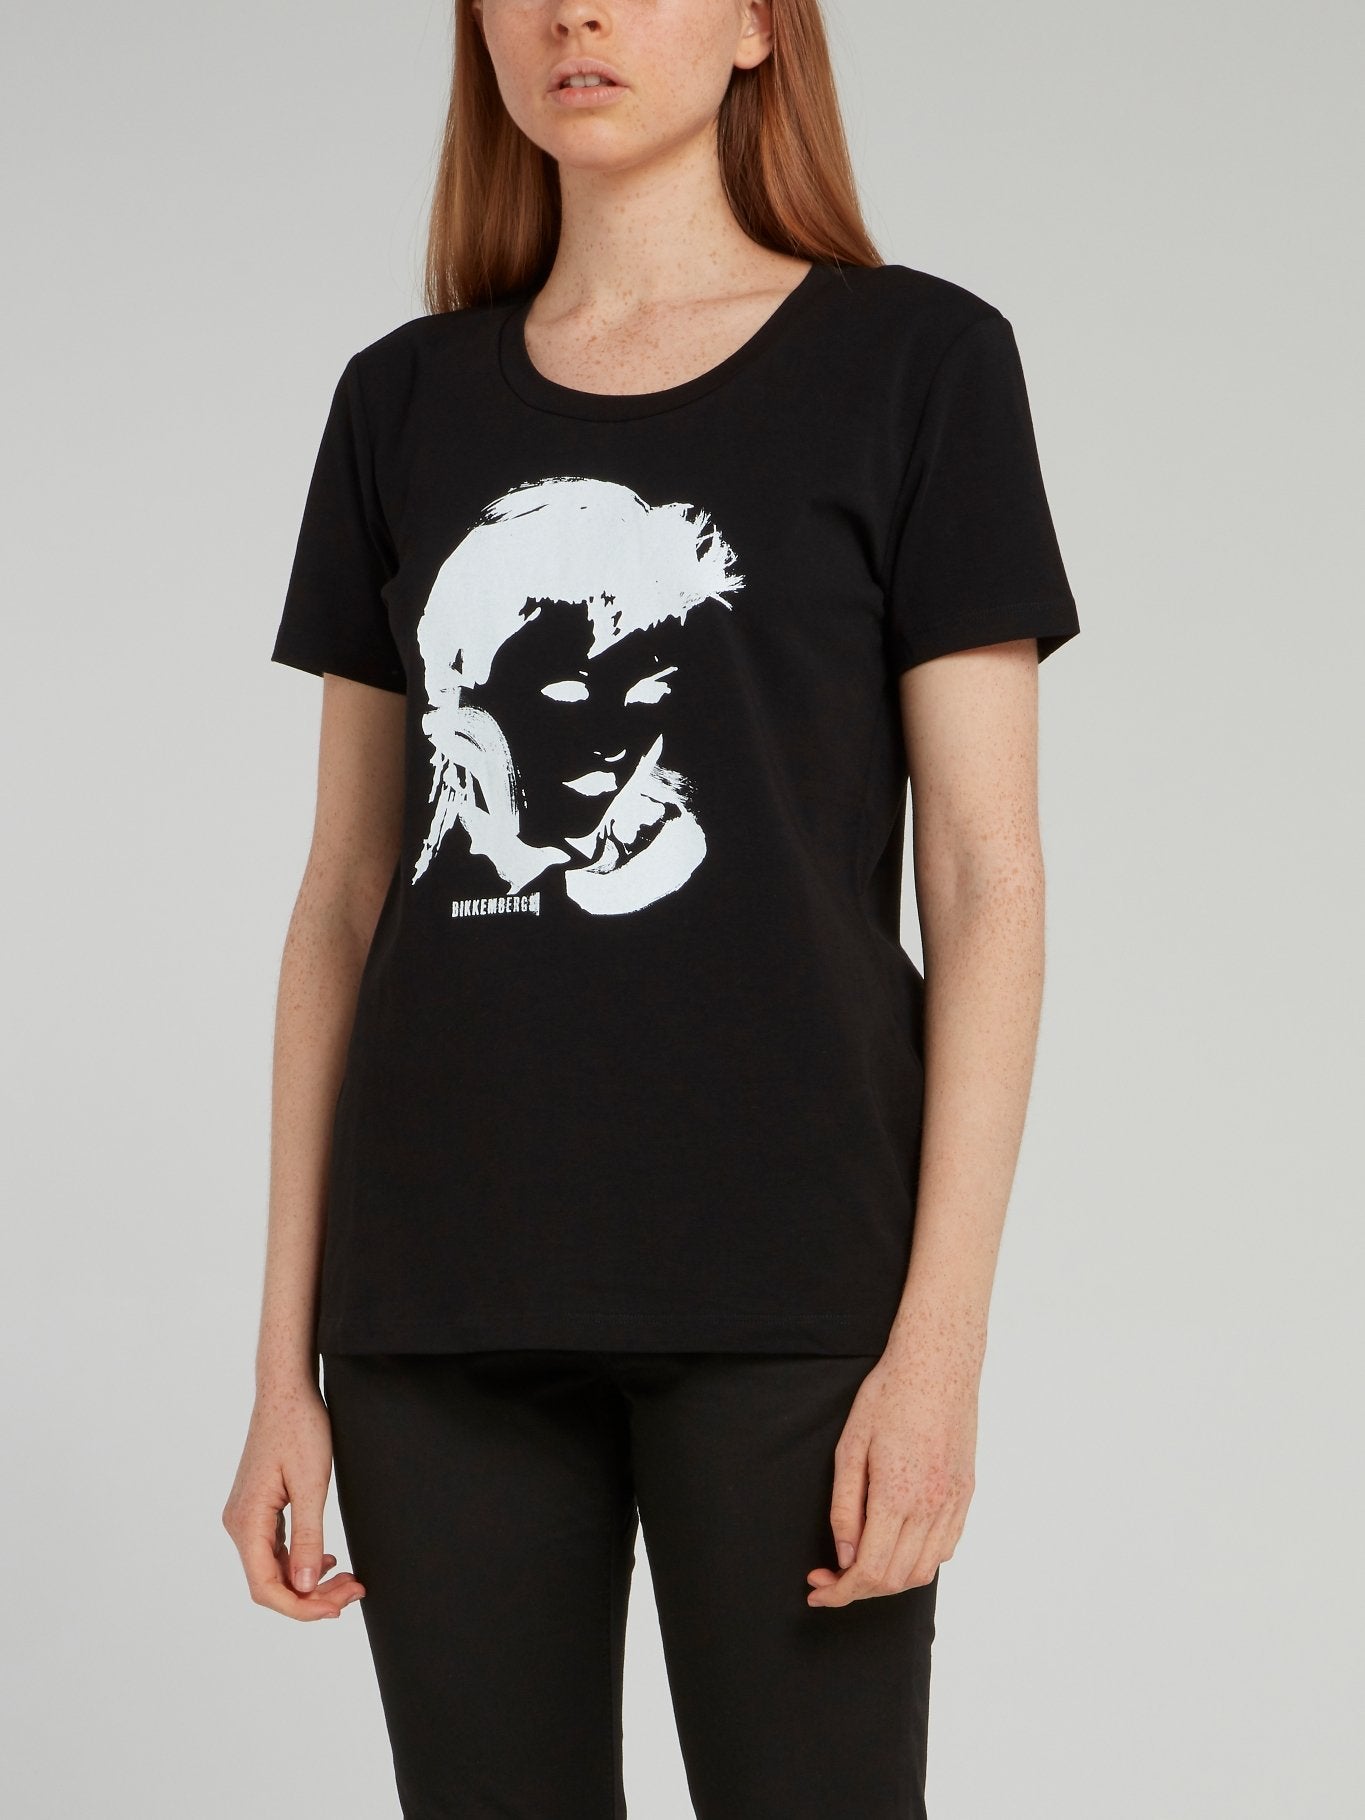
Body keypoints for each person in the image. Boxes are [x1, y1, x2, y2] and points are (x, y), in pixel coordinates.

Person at [222, 1, 1081, 1814]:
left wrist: (936, 1349)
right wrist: (281, 1367)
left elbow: (984, 877)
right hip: (435, 1304)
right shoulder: (401, 401)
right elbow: (344, 894)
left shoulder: (919, 363)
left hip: (793, 1288)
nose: (575, 13)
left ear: (762, 25)